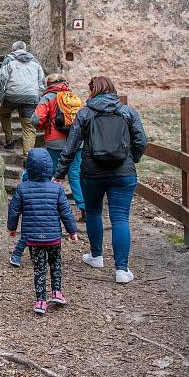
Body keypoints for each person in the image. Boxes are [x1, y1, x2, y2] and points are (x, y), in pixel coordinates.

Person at [53, 76, 147, 284]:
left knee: (94, 212)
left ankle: (96, 256)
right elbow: (141, 141)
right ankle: (121, 270)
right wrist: (132, 159)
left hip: (92, 173)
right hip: (124, 173)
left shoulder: (85, 113)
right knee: (120, 217)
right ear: (112, 90)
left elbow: (71, 146)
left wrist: (59, 173)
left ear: (92, 91)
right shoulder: (127, 112)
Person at [7, 148, 78, 314]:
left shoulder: (22, 188)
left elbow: (14, 211)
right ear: (49, 168)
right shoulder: (57, 189)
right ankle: (57, 292)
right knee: (55, 264)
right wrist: (72, 231)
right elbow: (66, 212)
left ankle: (40, 301)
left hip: (33, 239)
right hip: (53, 237)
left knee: (39, 268)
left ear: (28, 168)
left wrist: (12, 228)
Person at [30, 74, 85, 220]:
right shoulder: (73, 97)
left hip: (55, 142)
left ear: (49, 84)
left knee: (53, 173)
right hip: (76, 142)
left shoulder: (48, 98)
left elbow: (36, 119)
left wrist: (43, 126)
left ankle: (48, 206)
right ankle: (84, 208)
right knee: (75, 175)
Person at [0, 41, 45, 155]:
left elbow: (2, 79)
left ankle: (9, 139)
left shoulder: (9, 60)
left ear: (13, 49)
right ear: (25, 49)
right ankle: (28, 155)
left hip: (12, 96)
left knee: (4, 114)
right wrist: (38, 97)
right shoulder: (35, 61)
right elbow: (42, 82)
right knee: (28, 125)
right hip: (31, 96)